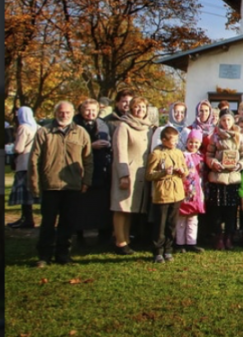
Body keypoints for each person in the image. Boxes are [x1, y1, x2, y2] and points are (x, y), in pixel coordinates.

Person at [29, 101, 93, 267]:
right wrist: (35, 184)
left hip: (72, 185)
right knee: (48, 222)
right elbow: (34, 159)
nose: (64, 115)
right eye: (61, 112)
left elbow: (88, 160)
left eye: (67, 112)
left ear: (73, 113)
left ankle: (63, 255)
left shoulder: (81, 133)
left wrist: (86, 181)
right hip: (49, 185)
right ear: (55, 113)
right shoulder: (44, 132)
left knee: (68, 222)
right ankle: (44, 256)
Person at [111, 97, 153, 256]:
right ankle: (119, 242)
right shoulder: (124, 126)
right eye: (137, 107)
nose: (140, 110)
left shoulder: (148, 127)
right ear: (131, 108)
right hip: (127, 172)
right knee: (121, 207)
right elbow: (120, 152)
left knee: (130, 209)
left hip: (141, 175)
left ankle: (127, 239)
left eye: (143, 107)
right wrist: (123, 175)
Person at [205, 111, 243, 250]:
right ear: (220, 121)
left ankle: (229, 237)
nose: (226, 123)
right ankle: (218, 237)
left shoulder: (239, 137)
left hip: (233, 179)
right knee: (216, 211)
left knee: (231, 211)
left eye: (229, 120)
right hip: (218, 178)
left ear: (233, 121)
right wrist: (213, 163)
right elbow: (209, 154)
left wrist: (239, 165)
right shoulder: (215, 137)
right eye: (223, 120)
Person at [146, 126, 188, 263]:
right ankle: (158, 251)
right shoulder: (156, 154)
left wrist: (182, 171)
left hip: (177, 193)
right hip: (163, 194)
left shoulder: (178, 153)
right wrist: (163, 173)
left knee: (171, 224)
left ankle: (168, 250)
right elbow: (149, 175)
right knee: (160, 225)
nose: (175, 143)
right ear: (164, 140)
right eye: (172, 140)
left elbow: (186, 171)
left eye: (176, 140)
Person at [73, 99, 113, 244]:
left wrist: (108, 145)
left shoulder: (103, 124)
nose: (91, 113)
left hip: (101, 169)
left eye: (93, 110)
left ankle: (103, 235)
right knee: (81, 204)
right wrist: (91, 145)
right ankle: (79, 235)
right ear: (81, 110)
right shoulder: (75, 124)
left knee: (101, 204)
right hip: (81, 168)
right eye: (87, 110)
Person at [8, 107, 40, 229]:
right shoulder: (38, 128)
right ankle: (27, 218)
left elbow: (19, 148)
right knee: (30, 191)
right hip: (35, 162)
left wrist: (12, 147)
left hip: (23, 162)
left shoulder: (23, 128)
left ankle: (26, 218)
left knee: (23, 193)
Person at [177, 129, 206, 253]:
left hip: (197, 191)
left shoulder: (201, 157)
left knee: (193, 218)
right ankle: (180, 243)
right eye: (191, 142)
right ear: (187, 142)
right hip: (184, 189)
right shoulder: (182, 155)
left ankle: (191, 242)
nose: (193, 145)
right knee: (181, 218)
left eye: (196, 143)